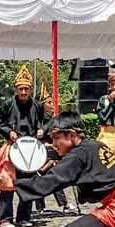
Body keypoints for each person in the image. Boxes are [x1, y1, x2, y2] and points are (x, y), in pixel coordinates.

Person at [0, 64, 45, 227]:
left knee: (27, 183)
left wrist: (42, 130)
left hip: (30, 148)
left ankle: (24, 217)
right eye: (21, 89)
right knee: (7, 183)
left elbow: (47, 122)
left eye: (26, 89)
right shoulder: (8, 104)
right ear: (16, 89)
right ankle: (5, 218)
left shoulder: (37, 106)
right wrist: (9, 132)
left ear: (30, 89)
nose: (23, 92)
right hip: (13, 147)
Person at [34, 83, 76, 216]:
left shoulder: (50, 119)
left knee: (50, 177)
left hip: (49, 151)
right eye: (48, 102)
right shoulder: (35, 118)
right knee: (47, 178)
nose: (51, 105)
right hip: (41, 151)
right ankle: (55, 205)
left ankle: (49, 205)